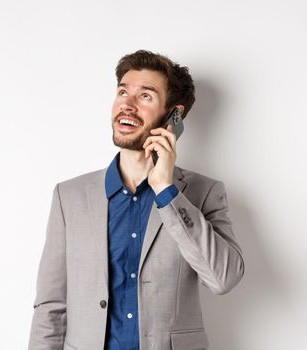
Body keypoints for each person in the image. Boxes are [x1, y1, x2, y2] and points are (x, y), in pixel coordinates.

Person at [28, 50, 245, 350]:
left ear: (174, 116)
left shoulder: (203, 193)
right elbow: (51, 306)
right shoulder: (69, 197)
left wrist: (167, 191)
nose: (126, 105)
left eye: (145, 96)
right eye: (122, 92)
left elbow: (223, 278)